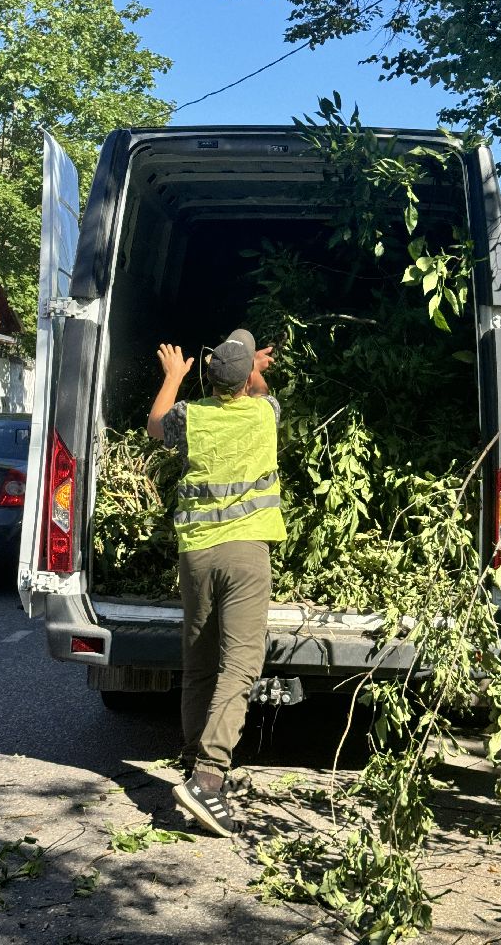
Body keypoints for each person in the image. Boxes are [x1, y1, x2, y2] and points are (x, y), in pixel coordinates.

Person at [146, 329, 286, 837]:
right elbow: (261, 393)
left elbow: (155, 425)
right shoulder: (264, 413)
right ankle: (209, 777)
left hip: (197, 553)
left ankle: (190, 756)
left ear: (206, 377)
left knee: (200, 656)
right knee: (241, 663)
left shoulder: (192, 416)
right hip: (246, 553)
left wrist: (173, 377)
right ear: (249, 378)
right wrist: (255, 369)